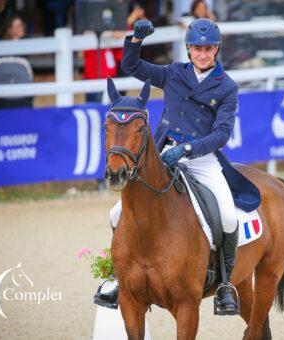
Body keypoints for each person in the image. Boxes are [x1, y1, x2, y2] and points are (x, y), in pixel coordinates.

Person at [94, 18, 242, 315]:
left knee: (227, 215)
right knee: (116, 212)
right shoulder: (174, 73)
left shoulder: (226, 86)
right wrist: (135, 40)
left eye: (208, 48)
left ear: (217, 49)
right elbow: (133, 67)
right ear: (189, 49)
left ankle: (225, 285)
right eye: (197, 48)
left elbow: (222, 134)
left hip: (201, 158)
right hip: (162, 152)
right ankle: (117, 277)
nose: (202, 53)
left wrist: (187, 150)